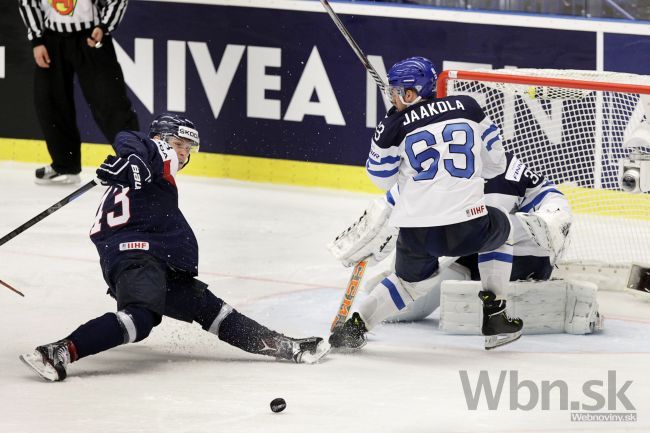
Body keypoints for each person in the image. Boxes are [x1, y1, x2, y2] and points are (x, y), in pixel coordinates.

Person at [20, 113, 328, 382]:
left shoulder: (142, 169)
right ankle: (57, 352)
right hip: (137, 255)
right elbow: (129, 138)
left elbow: (134, 151)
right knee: (140, 318)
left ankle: (288, 347)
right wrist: (137, 158)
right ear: (161, 139)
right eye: (177, 143)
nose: (181, 152)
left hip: (150, 259)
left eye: (187, 148)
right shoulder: (155, 153)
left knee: (209, 308)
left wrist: (134, 163)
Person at [329, 57, 522, 350]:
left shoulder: (393, 125)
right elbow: (496, 165)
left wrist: (396, 134)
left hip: (417, 231)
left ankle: (355, 326)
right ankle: (495, 315)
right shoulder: (469, 107)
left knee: (407, 284)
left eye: (397, 92)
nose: (392, 97)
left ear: (411, 93)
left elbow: (381, 180)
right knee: (503, 232)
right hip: (468, 223)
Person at [337, 150, 574, 329]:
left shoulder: (506, 169)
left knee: (500, 230)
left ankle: (495, 310)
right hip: (468, 259)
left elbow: (550, 197)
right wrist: (375, 224)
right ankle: (371, 312)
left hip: (522, 260)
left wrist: (551, 218)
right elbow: (390, 207)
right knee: (407, 309)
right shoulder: (433, 173)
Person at [18, 0, 139, 185]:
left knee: (110, 102)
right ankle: (65, 165)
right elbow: (28, 2)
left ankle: (136, 164)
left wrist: (104, 25)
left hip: (92, 36)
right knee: (50, 103)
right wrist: (37, 39)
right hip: (51, 39)